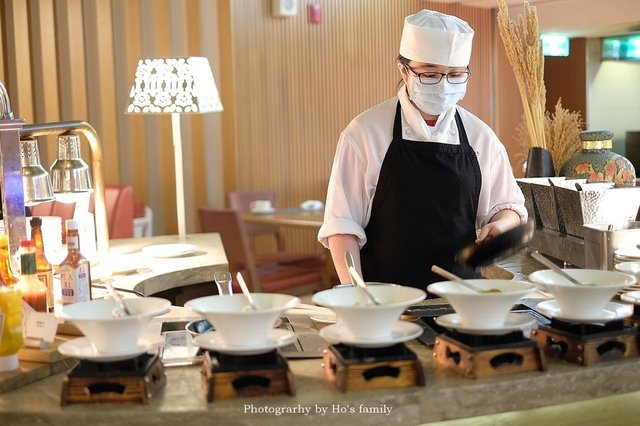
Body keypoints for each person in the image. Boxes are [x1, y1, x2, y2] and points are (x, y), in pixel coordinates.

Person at [318, 9, 526, 289]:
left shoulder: (481, 137)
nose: (443, 85)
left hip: (460, 298)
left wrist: (500, 225)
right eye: (430, 74)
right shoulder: (365, 133)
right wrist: (357, 293)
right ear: (404, 71)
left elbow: (510, 208)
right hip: (386, 300)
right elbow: (342, 227)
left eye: (454, 75)